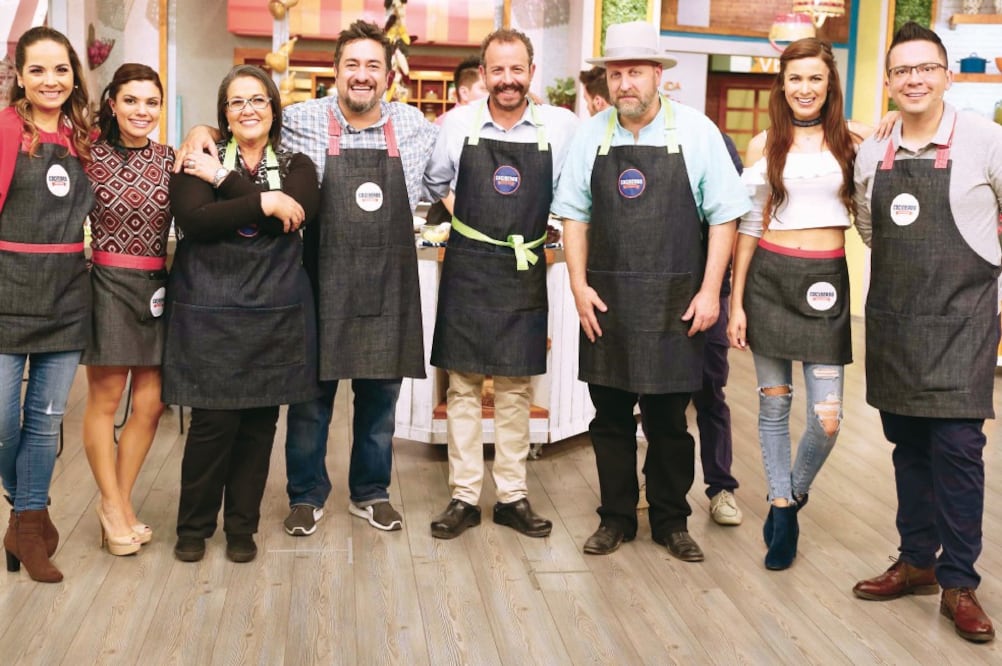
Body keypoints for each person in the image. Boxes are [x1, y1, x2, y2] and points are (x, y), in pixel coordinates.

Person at [178, 22, 437, 538]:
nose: (361, 76)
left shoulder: (418, 127)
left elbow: (448, 182)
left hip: (387, 283)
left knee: (380, 398)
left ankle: (371, 492)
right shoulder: (297, 121)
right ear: (335, 71)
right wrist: (198, 132)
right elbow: (235, 122)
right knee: (310, 397)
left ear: (388, 75)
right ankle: (306, 494)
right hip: (320, 277)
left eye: (372, 66)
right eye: (351, 65)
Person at [552, 21, 748, 561]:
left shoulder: (697, 132)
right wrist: (577, 286)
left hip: (676, 304)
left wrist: (712, 293)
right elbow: (573, 214)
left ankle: (670, 519)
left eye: (636, 72)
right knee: (609, 419)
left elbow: (726, 217)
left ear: (657, 75)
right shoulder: (591, 135)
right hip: (608, 303)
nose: (626, 84)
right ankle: (615, 518)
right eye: (616, 73)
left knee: (668, 423)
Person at [851, 22, 1002, 643]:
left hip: (964, 322)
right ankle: (916, 560)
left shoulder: (987, 141)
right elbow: (867, 226)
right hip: (896, 320)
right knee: (908, 447)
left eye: (925, 68)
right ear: (889, 82)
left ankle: (959, 580)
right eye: (902, 70)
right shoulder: (872, 151)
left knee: (959, 451)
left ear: (946, 75)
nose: (914, 79)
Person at [423, 28, 578, 539]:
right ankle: (464, 496)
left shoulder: (560, 126)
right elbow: (435, 182)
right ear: (483, 75)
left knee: (515, 387)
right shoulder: (457, 125)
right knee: (463, 386)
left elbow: (573, 194)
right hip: (467, 262)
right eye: (497, 70)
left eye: (517, 70)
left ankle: (512, 496)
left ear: (532, 73)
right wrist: (469, 221)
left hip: (523, 265)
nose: (507, 80)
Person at [164, 65, 320, 563]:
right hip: (211, 314)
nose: (248, 109)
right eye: (236, 102)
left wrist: (226, 183)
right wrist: (264, 200)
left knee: (258, 425)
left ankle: (241, 529)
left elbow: (293, 217)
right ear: (224, 114)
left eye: (258, 100)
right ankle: (193, 527)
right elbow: (196, 220)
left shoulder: (297, 164)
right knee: (212, 424)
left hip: (274, 314)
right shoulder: (198, 156)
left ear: (274, 110)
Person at [726, 38, 869, 570]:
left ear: (829, 83)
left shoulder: (855, 139)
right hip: (770, 280)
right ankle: (781, 508)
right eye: (795, 78)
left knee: (827, 418)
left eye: (815, 78)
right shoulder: (765, 143)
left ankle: (793, 490)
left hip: (828, 281)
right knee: (774, 406)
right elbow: (748, 225)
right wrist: (737, 302)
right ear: (781, 85)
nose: (804, 88)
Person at [0, 26, 94, 583]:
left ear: (74, 75)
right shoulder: (6, 128)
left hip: (65, 292)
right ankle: (29, 512)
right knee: (2, 419)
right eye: (38, 70)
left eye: (61, 69)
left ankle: (28, 531)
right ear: (19, 76)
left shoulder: (86, 134)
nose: (51, 80)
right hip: (6, 287)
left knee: (46, 420)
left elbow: (142, 125)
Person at [81, 63, 174, 557]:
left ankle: (118, 502)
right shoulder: (88, 156)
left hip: (158, 287)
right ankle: (114, 506)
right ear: (112, 103)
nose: (142, 110)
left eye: (151, 102)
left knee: (152, 404)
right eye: (132, 100)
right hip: (108, 283)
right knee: (106, 399)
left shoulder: (169, 158)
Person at [426, 56, 488, 225]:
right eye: (483, 89)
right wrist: (465, 220)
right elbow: (438, 180)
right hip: (449, 216)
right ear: (464, 92)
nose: (490, 94)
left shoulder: (485, 123)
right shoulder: (445, 123)